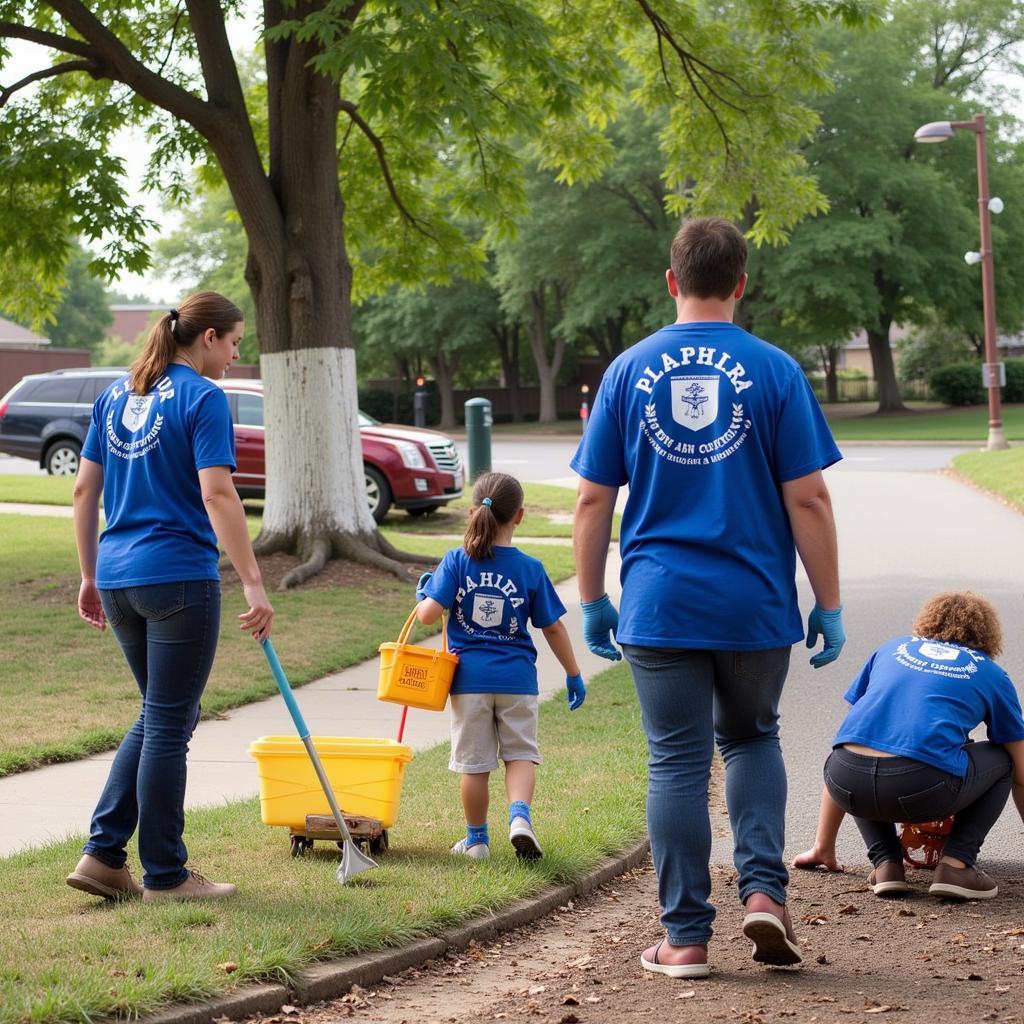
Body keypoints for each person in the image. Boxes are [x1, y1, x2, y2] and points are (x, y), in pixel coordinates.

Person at [571, 216, 845, 977]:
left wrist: (592, 598)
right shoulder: (776, 371)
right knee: (753, 736)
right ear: (741, 284)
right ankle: (764, 897)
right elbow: (811, 501)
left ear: (671, 281)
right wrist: (828, 602)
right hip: (755, 603)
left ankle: (685, 939)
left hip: (660, 604)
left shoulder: (629, 371)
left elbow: (593, 502)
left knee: (677, 764)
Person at [68, 291, 274, 903]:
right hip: (178, 576)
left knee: (160, 714)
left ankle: (104, 857)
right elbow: (218, 495)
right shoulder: (203, 397)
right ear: (206, 337)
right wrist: (254, 581)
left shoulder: (115, 394)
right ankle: (165, 874)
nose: (237, 355)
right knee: (166, 723)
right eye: (235, 342)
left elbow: (84, 492)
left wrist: (88, 575)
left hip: (118, 576)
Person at [794, 591, 1024, 901]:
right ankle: (956, 865)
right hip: (921, 787)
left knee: (862, 743)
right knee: (1004, 759)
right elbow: (1021, 771)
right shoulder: (991, 673)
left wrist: (824, 845)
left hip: (844, 779)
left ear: (927, 622)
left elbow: (853, 735)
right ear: (987, 635)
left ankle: (886, 863)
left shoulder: (891, 649)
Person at [414, 471, 586, 861]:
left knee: (474, 765)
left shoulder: (457, 561)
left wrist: (426, 591)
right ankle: (520, 818)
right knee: (519, 755)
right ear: (520, 516)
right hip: (517, 680)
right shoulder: (530, 568)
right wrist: (573, 673)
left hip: (468, 682)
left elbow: (427, 616)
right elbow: (553, 627)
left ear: (473, 511)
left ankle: (476, 841)